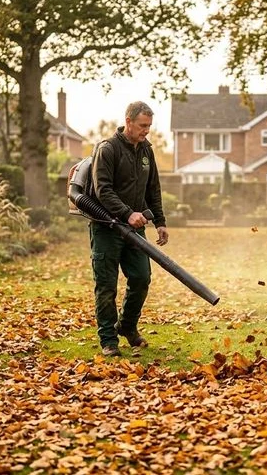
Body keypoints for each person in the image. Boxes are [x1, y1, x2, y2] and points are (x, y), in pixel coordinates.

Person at [90, 101, 168, 357]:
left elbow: (152, 188)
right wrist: (127, 213)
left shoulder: (146, 151)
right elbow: (103, 190)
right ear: (128, 121)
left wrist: (160, 221)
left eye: (149, 126)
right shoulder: (108, 149)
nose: (147, 131)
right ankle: (108, 340)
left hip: (135, 231)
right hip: (107, 229)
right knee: (106, 286)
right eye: (143, 125)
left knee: (141, 278)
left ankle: (126, 326)